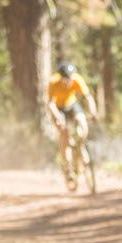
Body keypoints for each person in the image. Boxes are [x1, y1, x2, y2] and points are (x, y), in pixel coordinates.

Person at [46, 62, 98, 190]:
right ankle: (67, 165)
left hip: (71, 105)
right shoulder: (53, 82)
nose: (68, 81)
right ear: (61, 77)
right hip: (58, 108)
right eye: (65, 79)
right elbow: (51, 105)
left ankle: (80, 145)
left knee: (82, 124)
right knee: (64, 134)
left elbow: (88, 97)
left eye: (70, 78)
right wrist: (58, 119)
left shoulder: (77, 79)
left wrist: (93, 112)